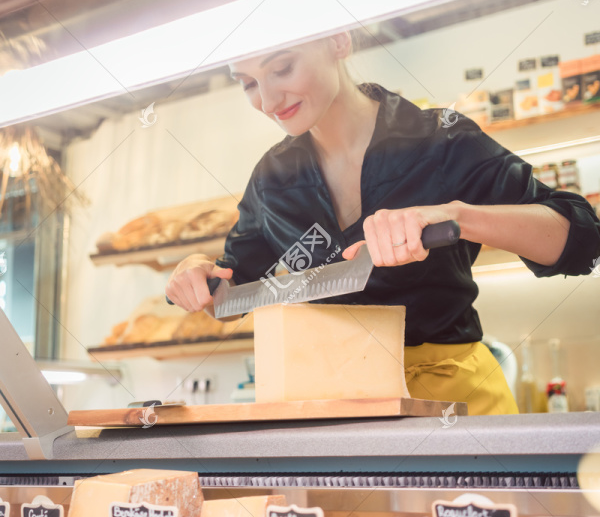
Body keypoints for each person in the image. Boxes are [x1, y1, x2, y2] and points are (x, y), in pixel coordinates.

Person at [165, 33, 600, 415]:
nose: (268, 99)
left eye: (281, 68)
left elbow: (580, 235)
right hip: (338, 406)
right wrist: (198, 269)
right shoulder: (271, 178)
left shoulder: (442, 138)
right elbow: (231, 293)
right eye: (248, 84)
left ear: (338, 41)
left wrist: (457, 216)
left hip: (456, 401)